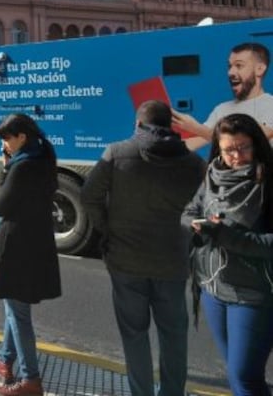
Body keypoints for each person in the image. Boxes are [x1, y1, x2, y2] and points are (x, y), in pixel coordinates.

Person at [81, 100, 205, 396]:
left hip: (126, 261)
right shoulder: (194, 163)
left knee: (134, 335)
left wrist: (107, 228)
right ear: (171, 127)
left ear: (138, 124)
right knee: (174, 336)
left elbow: (89, 196)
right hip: (173, 263)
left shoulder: (117, 152)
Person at [184, 113, 273, 395]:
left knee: (245, 375)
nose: (236, 156)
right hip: (213, 289)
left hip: (254, 295)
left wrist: (227, 237)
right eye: (229, 149)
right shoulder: (212, 175)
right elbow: (189, 211)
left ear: (257, 145)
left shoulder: (268, 181)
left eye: (243, 147)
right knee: (234, 373)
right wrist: (194, 225)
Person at [0, 114, 61, 396]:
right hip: (36, 241)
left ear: (22, 137)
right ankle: (5, 361)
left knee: (18, 314)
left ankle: (30, 380)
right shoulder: (44, 157)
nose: (5, 144)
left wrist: (4, 170)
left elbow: (1, 206)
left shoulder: (22, 166)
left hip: (16, 246)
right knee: (13, 308)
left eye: (7, 138)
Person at [173, 42, 273, 150]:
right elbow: (201, 138)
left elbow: (247, 141)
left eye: (239, 65)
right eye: (230, 66)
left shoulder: (270, 105)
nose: (231, 72)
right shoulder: (221, 109)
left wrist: (195, 128)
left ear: (260, 69)